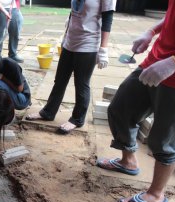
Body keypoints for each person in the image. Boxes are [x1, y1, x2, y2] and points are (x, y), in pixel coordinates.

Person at [96, 0, 175, 202]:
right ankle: (128, 161)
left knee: (166, 140)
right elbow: (174, 15)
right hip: (155, 61)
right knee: (120, 108)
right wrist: (151, 31)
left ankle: (155, 194)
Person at [25, 0, 116, 134]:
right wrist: (65, 36)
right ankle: (48, 112)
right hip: (70, 41)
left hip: (88, 43)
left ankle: (77, 119)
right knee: (59, 80)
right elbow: (73, 13)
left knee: (81, 84)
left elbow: (108, 19)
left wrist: (103, 49)